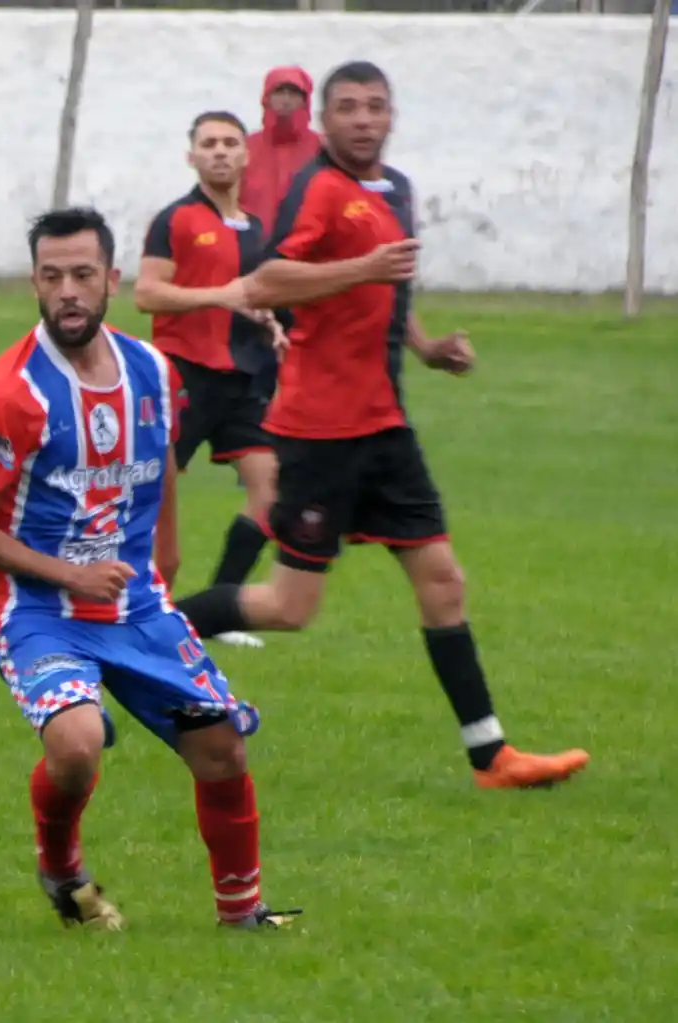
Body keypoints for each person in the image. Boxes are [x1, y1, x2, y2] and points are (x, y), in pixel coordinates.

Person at [175, 61, 590, 790]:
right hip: (319, 431)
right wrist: (362, 267)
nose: (364, 119)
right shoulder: (318, 190)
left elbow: (387, 287)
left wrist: (425, 347)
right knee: (288, 606)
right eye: (348, 108)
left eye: (375, 106)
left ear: (391, 115)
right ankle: (147, 631)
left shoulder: (392, 189)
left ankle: (491, 755)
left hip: (385, 427)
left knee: (442, 578)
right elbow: (266, 282)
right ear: (324, 122)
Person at [0, 206, 300, 932]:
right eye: (52, 277)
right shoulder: (9, 393)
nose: (68, 291)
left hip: (136, 603)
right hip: (36, 610)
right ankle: (62, 867)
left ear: (111, 278)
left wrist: (162, 562)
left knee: (220, 743)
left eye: (83, 274)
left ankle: (243, 916)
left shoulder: (151, 369)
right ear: (34, 284)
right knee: (77, 743)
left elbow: (161, 467)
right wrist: (66, 574)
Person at [135, 110, 287, 649]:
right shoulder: (174, 219)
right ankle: (129, 607)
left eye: (229, 143)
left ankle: (219, 610)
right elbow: (147, 293)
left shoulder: (256, 228)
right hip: (182, 379)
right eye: (209, 143)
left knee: (270, 491)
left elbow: (250, 294)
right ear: (191, 156)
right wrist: (219, 296)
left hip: (241, 382)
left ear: (246, 155)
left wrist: (266, 320)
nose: (220, 151)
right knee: (144, 500)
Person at [239, 66, 323, 234]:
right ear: (266, 98)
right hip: (254, 249)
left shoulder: (324, 148)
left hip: (311, 248)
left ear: (304, 100)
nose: (286, 99)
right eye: (278, 92)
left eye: (293, 93)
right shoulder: (245, 148)